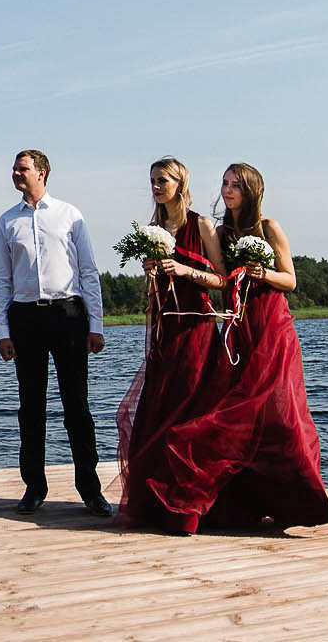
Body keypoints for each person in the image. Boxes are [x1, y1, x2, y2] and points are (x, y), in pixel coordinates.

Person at [130, 164, 328, 533]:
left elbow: (290, 280)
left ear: (252, 190)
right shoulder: (222, 232)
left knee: (280, 415)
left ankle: (297, 503)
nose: (227, 190)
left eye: (235, 185)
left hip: (271, 327)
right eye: (225, 184)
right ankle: (238, 504)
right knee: (236, 416)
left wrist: (263, 273)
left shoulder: (269, 227)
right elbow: (222, 279)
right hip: (236, 329)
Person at [0, 148, 111, 516]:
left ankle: (90, 490)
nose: (15, 173)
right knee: (31, 407)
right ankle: (34, 487)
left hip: (68, 314)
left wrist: (96, 325)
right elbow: (1, 279)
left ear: (41, 172)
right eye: (14, 168)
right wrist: (3, 331)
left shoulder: (69, 215)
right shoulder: (7, 221)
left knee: (77, 405)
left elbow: (88, 271)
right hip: (25, 318)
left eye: (22, 168)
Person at [116, 155, 226, 531]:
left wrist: (184, 270)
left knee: (192, 413)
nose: (156, 187)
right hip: (165, 329)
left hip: (196, 328)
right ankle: (159, 503)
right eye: (152, 180)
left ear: (180, 183)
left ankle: (193, 506)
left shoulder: (201, 224)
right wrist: (151, 272)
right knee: (159, 413)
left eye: (163, 180)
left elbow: (222, 279)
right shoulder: (152, 229)